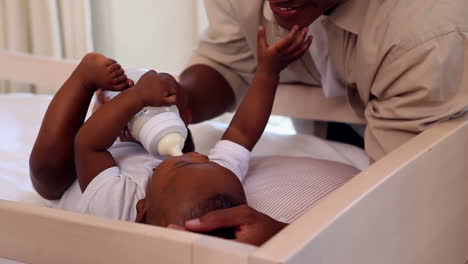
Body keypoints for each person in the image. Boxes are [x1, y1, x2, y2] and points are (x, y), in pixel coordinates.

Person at [174, 0, 468, 245]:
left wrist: (287, 240)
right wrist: (180, 98)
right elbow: (227, 59)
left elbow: (407, 212)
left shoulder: (427, 35)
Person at [29, 24, 312, 235]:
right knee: (174, 134)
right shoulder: (213, 177)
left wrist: (136, 99)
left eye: (183, 164)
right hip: (133, 140)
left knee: (48, 170)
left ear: (142, 209)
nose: (201, 157)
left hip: (80, 171)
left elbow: (88, 144)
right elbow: (242, 133)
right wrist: (267, 73)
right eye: (207, 161)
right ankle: (141, 112)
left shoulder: (115, 208)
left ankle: (82, 79)